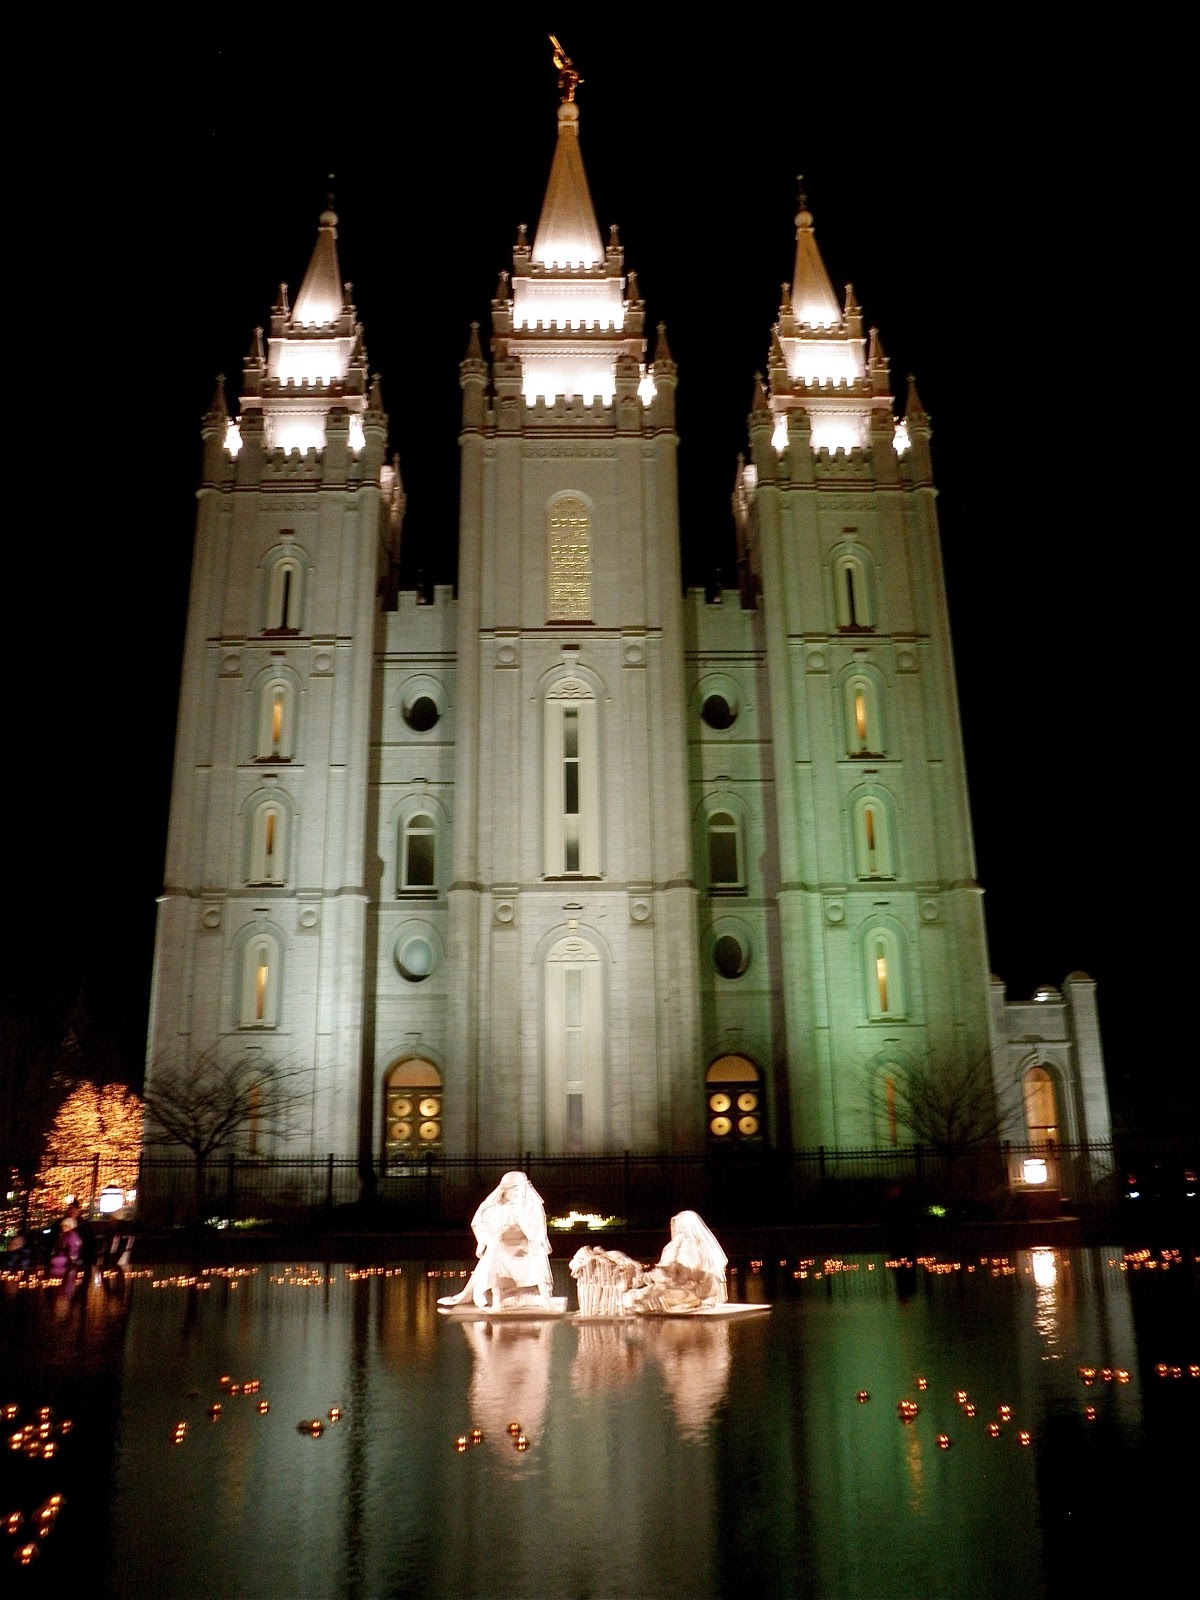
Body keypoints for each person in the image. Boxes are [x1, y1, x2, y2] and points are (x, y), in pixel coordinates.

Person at [438, 1171, 554, 1310]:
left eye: (521, 1188)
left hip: (526, 1244)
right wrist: (492, 1236)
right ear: (505, 1189)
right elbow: (483, 1226)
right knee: (494, 1249)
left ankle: (545, 1297)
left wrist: (522, 1222)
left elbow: (537, 1231)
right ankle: (497, 1298)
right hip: (502, 1245)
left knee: (538, 1250)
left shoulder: (532, 1206)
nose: (519, 1192)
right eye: (515, 1188)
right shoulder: (493, 1206)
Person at [625, 1210, 729, 1313]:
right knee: (649, 1292)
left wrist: (645, 1278)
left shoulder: (686, 1248)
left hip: (693, 1293)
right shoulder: (700, 1248)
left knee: (650, 1295)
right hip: (695, 1291)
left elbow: (673, 1274)